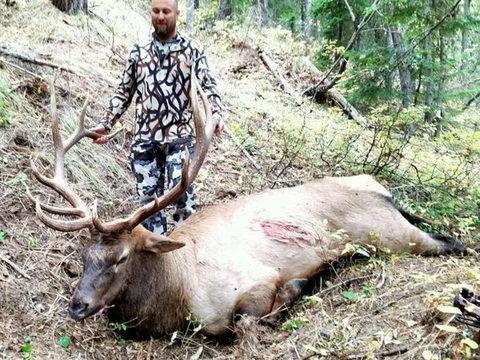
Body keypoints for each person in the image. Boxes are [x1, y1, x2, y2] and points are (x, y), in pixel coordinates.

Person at [90, 0, 224, 235]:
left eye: (166, 12)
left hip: (179, 138)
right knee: (148, 204)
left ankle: (188, 257)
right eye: (156, 11)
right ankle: (158, 261)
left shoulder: (192, 50)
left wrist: (216, 113)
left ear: (177, 14)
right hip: (145, 141)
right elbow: (124, 91)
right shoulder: (139, 51)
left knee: (182, 196)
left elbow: (208, 86)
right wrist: (107, 122)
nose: (160, 16)